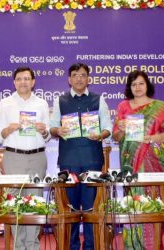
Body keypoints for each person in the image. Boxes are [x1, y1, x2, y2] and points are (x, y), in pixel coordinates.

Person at [112, 70, 164, 249]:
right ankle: (132, 244)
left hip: (153, 162)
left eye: (141, 83)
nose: (137, 87)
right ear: (129, 87)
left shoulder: (160, 107)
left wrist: (152, 138)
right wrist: (121, 128)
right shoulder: (123, 107)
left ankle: (153, 245)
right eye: (133, 84)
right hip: (130, 162)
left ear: (147, 85)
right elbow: (116, 137)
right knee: (133, 202)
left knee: (151, 202)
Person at [50, 63, 112, 250]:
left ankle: (92, 246)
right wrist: (57, 130)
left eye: (83, 75)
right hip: (68, 162)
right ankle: (72, 246)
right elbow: (52, 127)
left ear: (88, 78)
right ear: (69, 79)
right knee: (71, 209)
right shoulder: (60, 100)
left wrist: (100, 135)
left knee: (92, 209)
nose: (79, 78)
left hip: (92, 161)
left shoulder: (98, 100)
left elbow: (108, 128)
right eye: (75, 75)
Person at [0, 67, 50, 249]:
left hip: (37, 156)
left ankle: (32, 244)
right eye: (19, 79)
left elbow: (48, 135)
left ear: (33, 82)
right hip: (13, 156)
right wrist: (9, 129)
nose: (23, 82)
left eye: (27, 78)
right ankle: (18, 246)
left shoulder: (42, 103)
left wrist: (45, 131)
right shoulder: (5, 103)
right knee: (15, 203)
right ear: (14, 82)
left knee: (35, 202)